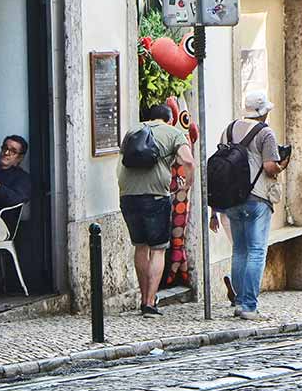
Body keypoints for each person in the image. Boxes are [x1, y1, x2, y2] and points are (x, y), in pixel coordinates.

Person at [209, 90, 286, 319]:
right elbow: (270, 166)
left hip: (232, 199)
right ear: (263, 112)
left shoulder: (229, 129)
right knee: (256, 251)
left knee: (239, 251)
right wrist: (283, 165)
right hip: (257, 199)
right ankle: (249, 306)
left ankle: (240, 302)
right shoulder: (266, 133)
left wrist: (215, 210)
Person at [118, 105, 194, 316]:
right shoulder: (173, 133)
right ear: (170, 120)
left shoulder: (133, 131)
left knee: (140, 247)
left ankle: (143, 297)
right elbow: (187, 160)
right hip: (155, 198)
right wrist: (188, 183)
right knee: (158, 249)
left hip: (128, 196)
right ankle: (150, 302)